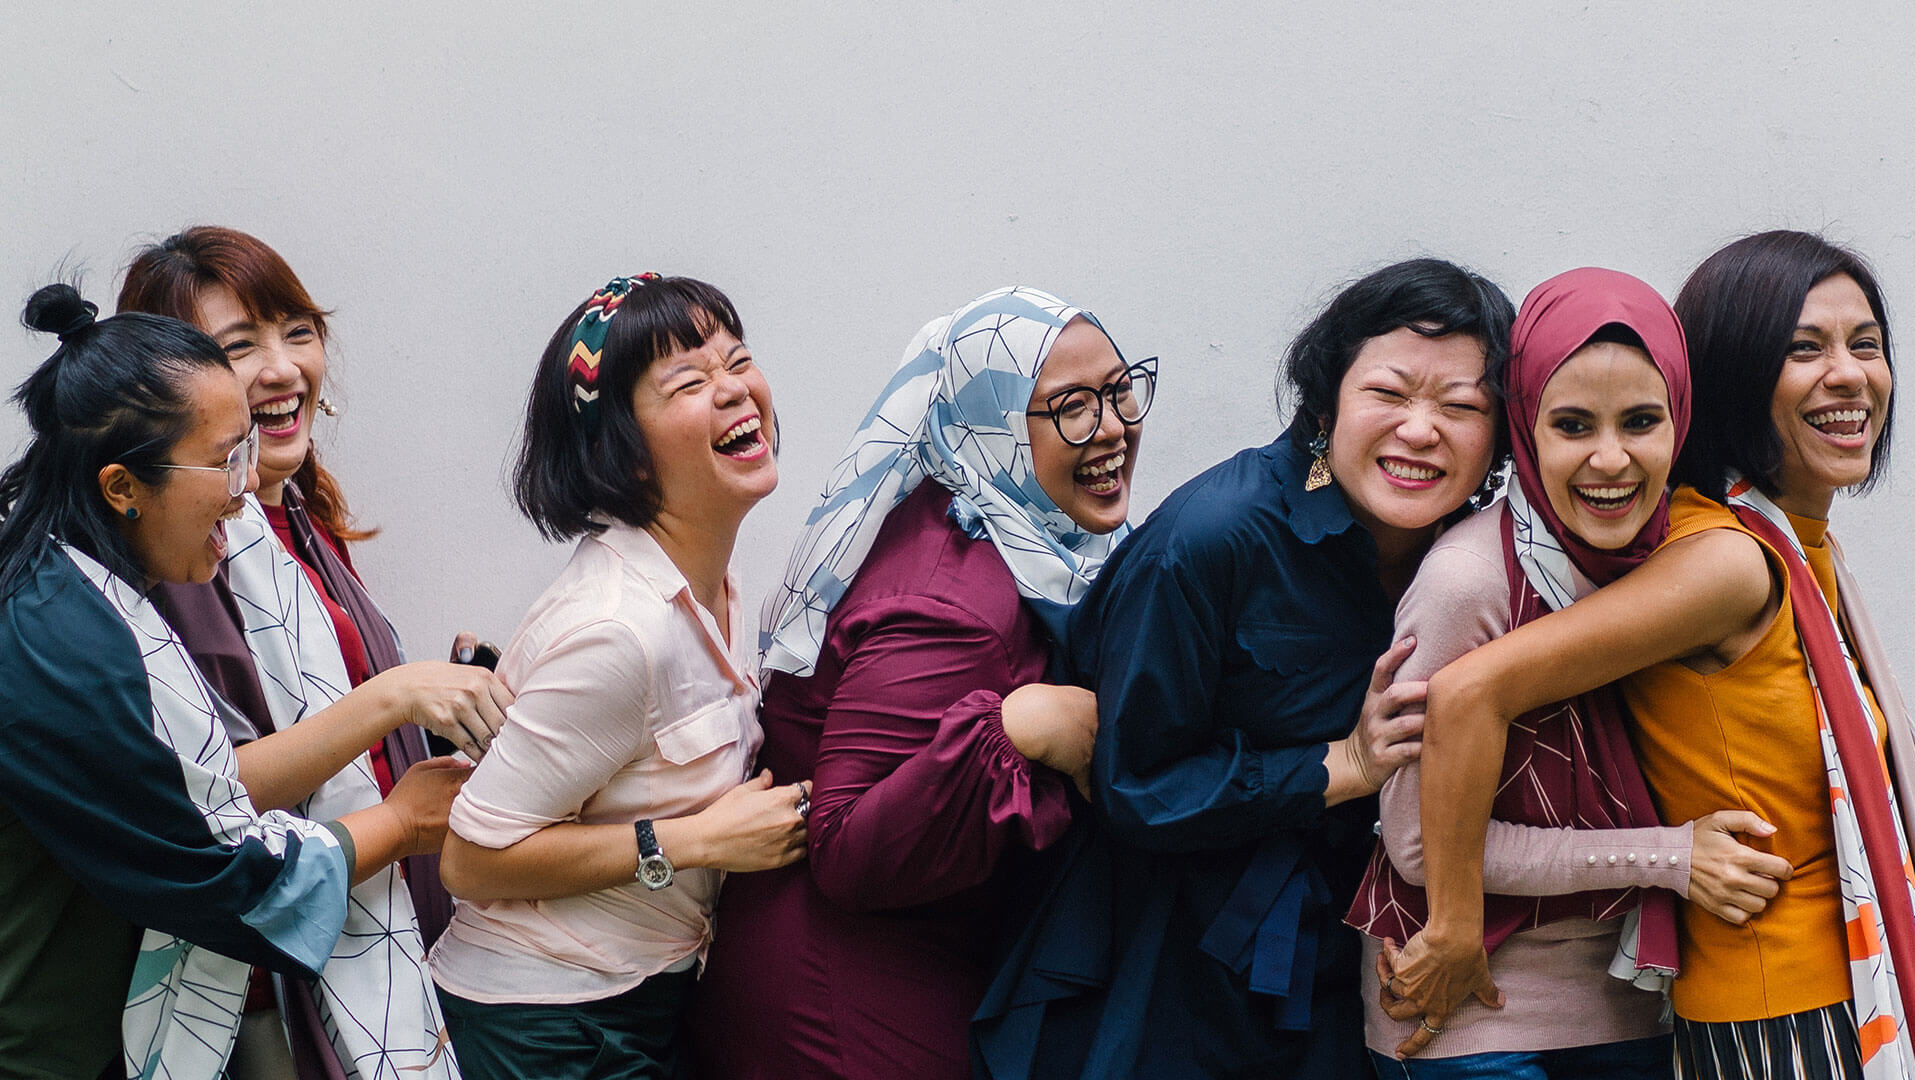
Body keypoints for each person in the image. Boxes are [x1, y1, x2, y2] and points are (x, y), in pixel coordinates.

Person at [1388, 231, 1911, 1080]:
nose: (1848, 374)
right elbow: (1468, 693)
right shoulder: (1728, 561)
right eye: (1803, 348)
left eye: (1867, 345)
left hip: (1823, 992)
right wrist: (1452, 926)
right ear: (1735, 377)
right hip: (1785, 1009)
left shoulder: (1788, 547)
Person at [976, 259, 1516, 1079]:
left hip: (1357, 971)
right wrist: (1340, 766)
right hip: (1175, 980)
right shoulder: (1214, 538)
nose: (1419, 430)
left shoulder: (1477, 554)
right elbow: (1134, 786)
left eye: (1462, 406)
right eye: (1389, 394)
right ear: (1328, 396)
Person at [0, 284, 465, 1080]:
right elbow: (214, 865)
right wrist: (400, 822)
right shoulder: (61, 643)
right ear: (121, 488)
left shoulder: (77, 586)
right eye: (224, 461)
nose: (246, 485)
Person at [1347, 267, 1794, 1077]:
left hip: (1631, 1002)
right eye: (1574, 424)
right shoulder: (1471, 582)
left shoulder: (1673, 562)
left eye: (1641, 421)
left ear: (1679, 423)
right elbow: (1418, 845)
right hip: (1468, 1014)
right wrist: (1673, 857)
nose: (1610, 459)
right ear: (1525, 428)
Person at [692, 286, 1148, 1079]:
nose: (1110, 426)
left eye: (1118, 391)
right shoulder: (953, 603)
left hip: (888, 952)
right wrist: (1015, 730)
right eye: (1070, 406)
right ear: (991, 424)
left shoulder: (992, 518)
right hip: (845, 993)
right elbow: (845, 849)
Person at [118, 225, 507, 1077]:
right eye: (237, 347)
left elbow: (329, 728)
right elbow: (202, 794)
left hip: (380, 920)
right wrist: (394, 696)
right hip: (272, 984)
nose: (282, 368)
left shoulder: (296, 514)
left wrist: (430, 713)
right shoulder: (186, 552)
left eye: (296, 331)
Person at [428, 273, 808, 1080]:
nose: (736, 389)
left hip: (643, 996)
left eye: (737, 360)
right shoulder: (619, 629)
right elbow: (470, 857)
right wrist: (696, 841)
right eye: (691, 382)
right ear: (620, 452)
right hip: (546, 1022)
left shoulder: (718, 585)